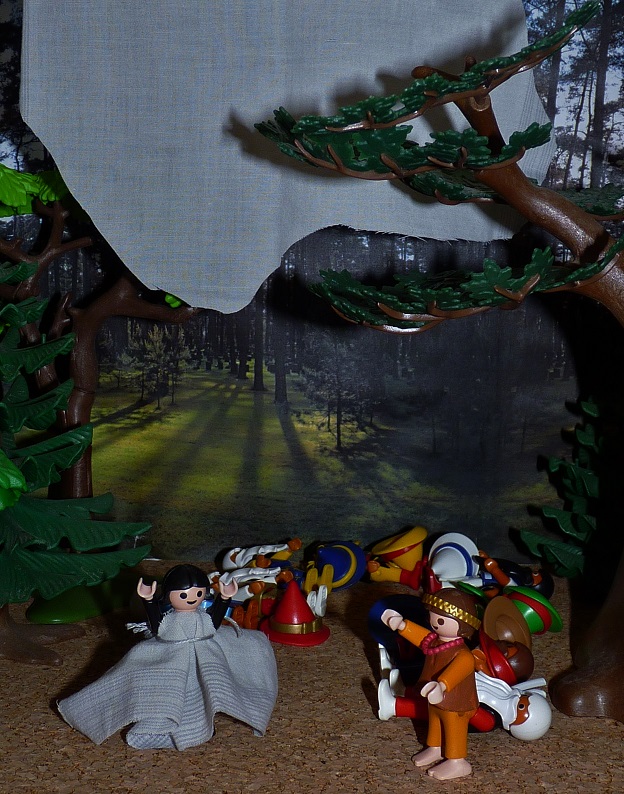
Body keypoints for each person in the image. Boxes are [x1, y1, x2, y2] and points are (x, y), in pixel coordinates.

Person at [57, 564, 278, 750]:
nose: (191, 599)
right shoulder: (170, 621)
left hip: (204, 658)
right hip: (172, 659)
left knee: (205, 693)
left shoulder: (203, 618)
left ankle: (202, 725)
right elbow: (156, 626)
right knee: (166, 695)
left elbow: (216, 620)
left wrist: (225, 597)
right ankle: (163, 725)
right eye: (183, 595)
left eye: (198, 594)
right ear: (169, 595)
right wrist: (148, 600)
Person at [381, 587, 480, 780]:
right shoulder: (435, 642)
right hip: (433, 695)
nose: (434, 623)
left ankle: (457, 761)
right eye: (432, 617)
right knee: (434, 722)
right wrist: (402, 625)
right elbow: (421, 638)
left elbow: (457, 671)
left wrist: (442, 685)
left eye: (441, 621)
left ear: (462, 625)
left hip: (455, 702)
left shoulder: (463, 654)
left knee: (453, 727)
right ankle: (435, 748)